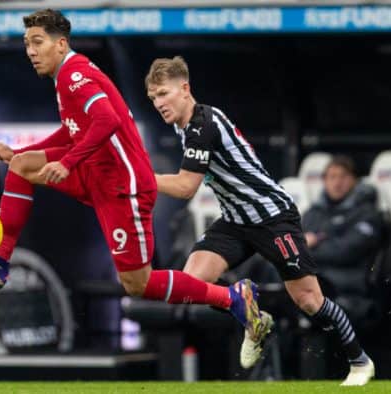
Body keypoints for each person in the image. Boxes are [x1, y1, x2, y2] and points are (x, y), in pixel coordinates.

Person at [0, 8, 270, 367]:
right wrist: (19, 152)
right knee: (22, 167)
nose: (31, 51)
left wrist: (66, 162)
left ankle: (233, 298)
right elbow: (74, 131)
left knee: (138, 283)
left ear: (61, 43)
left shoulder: (75, 73)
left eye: (37, 42)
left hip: (124, 184)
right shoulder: (65, 76)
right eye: (27, 44)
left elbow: (107, 120)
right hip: (97, 173)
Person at [144, 56, 374, 386]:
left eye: (163, 94)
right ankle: (251, 314)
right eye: (153, 98)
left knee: (309, 301)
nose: (158, 103)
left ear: (185, 89)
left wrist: (140, 179)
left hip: (273, 217)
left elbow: (184, 188)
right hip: (236, 220)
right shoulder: (186, 127)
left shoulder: (202, 125)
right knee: (188, 286)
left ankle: (360, 362)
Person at [302, 155, 385, 325]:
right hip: (313, 284)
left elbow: (346, 251)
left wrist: (309, 247)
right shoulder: (313, 213)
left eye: (343, 176)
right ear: (324, 181)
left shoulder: (368, 213)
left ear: (355, 180)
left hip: (348, 289)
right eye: (332, 177)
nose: (337, 182)